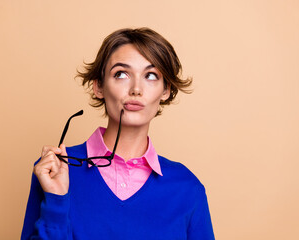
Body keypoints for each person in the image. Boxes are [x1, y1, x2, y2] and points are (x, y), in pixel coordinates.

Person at [21, 27, 215, 240]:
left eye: (151, 75)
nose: (136, 89)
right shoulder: (55, 170)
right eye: (121, 74)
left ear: (166, 90)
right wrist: (56, 202)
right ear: (99, 86)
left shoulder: (187, 188)